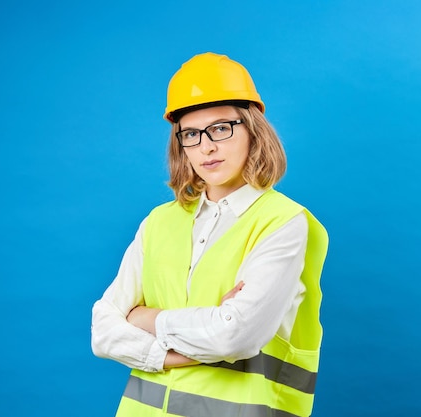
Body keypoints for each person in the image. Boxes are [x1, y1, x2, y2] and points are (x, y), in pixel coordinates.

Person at [91, 52, 329, 417]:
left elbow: (235, 336)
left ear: (253, 128)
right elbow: (103, 331)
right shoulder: (158, 222)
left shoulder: (282, 222)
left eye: (220, 128)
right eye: (191, 134)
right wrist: (180, 349)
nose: (206, 146)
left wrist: (146, 319)